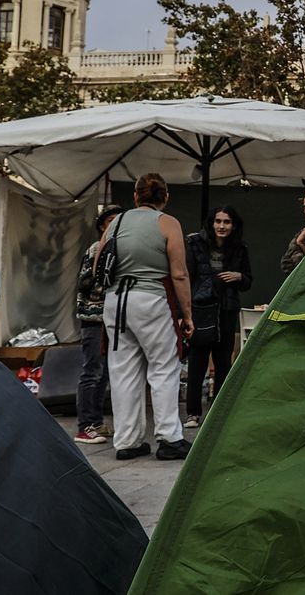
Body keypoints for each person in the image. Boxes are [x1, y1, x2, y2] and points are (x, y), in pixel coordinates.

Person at [98, 173, 194, 461]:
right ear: (165, 196)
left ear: (136, 196)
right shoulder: (168, 223)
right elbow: (178, 272)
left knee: (123, 372)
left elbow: (98, 265)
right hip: (150, 299)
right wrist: (187, 314)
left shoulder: (116, 222)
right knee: (163, 368)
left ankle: (127, 441)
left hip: (115, 302)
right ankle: (169, 438)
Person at [183, 206, 252, 428]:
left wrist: (238, 276)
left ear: (234, 225)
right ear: (211, 223)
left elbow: (249, 280)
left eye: (227, 222)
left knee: (224, 361)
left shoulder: (240, 249)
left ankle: (217, 411)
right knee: (197, 361)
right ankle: (193, 413)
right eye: (218, 221)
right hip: (201, 309)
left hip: (227, 309)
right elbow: (186, 275)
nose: (222, 226)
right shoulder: (194, 243)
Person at [72, 205, 123, 445]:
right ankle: (85, 426)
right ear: (102, 225)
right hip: (94, 318)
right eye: (109, 220)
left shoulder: (117, 248)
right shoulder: (96, 249)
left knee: (103, 372)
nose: (113, 225)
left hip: (109, 318)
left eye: (118, 221)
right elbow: (84, 283)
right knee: (92, 370)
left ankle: (96, 422)